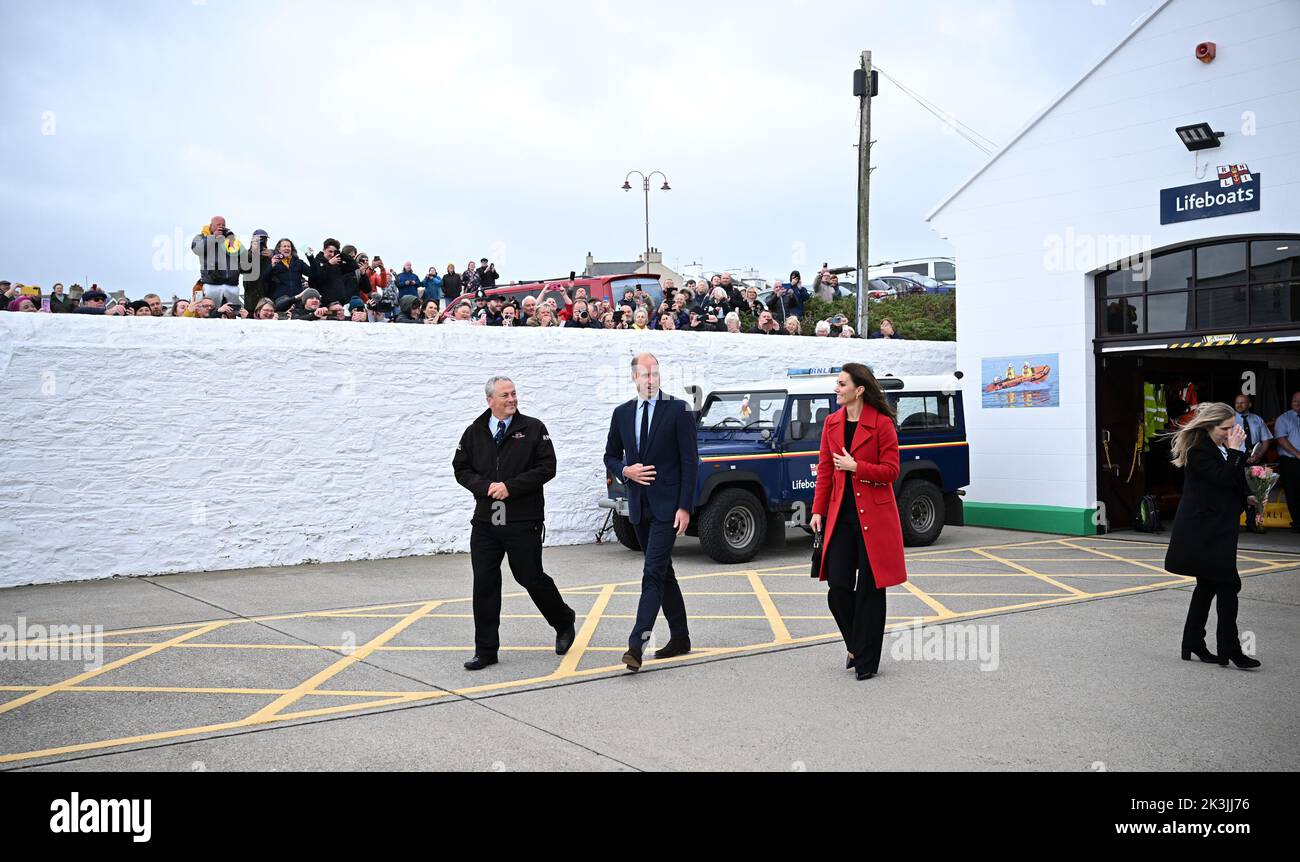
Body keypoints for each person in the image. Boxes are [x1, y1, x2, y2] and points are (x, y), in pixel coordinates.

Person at [452, 377, 577, 670]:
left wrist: (511, 486)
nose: (512, 399)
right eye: (505, 395)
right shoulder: (474, 431)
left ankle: (563, 620)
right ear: (490, 401)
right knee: (484, 582)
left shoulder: (533, 428)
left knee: (529, 576)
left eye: (514, 394)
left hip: (522, 518)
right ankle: (485, 650)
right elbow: (460, 469)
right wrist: (484, 487)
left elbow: (548, 467)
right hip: (486, 518)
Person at [809, 363, 908, 680]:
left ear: (859, 389)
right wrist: (817, 511)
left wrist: (856, 466)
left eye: (841, 384)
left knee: (870, 591)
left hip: (875, 518)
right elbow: (825, 469)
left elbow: (891, 471)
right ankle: (855, 644)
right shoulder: (831, 423)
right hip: (840, 517)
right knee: (837, 588)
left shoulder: (881, 424)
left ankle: (867, 661)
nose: (836, 389)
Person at [603, 353, 698, 672]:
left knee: (652, 573)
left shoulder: (678, 409)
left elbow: (689, 461)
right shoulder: (622, 413)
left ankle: (636, 645)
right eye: (644, 374)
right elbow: (611, 455)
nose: (650, 379)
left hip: (668, 507)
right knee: (662, 571)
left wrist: (685, 506)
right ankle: (681, 637)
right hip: (639, 506)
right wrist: (624, 471)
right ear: (633, 377)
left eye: (655, 373)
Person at [1164, 403, 1262, 669]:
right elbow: (1221, 478)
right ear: (1210, 426)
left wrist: (1248, 496)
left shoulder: (1219, 448)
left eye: (1233, 427)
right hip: (1204, 532)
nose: (1230, 433)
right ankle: (1230, 649)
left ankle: (1193, 642)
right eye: (1225, 428)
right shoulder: (1199, 451)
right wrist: (1234, 451)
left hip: (1217, 528)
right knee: (1229, 586)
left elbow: (1230, 482)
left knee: (1207, 586)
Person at [1234, 394, 1273, 533]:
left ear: (1249, 404)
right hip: (1237, 461)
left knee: (1255, 492)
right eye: (1237, 403)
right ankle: (1230, 521)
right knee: (1238, 491)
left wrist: (1258, 455)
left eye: (1242, 403)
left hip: (1255, 460)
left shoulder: (1257, 419)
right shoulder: (1230, 419)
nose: (1239, 405)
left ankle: (1252, 523)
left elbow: (1266, 440)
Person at [191, 215, 244, 307]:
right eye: (218, 224)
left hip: (231, 284)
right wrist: (213, 237)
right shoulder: (201, 237)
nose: (221, 226)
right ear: (211, 225)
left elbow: (243, 256)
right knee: (211, 311)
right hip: (212, 283)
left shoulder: (231, 239)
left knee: (233, 312)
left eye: (223, 225)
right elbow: (197, 249)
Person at [1274, 392, 1300, 534]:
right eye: (1295, 400)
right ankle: (1297, 523)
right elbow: (1281, 439)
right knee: (1293, 492)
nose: (1297, 403)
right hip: (1290, 461)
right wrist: (1297, 454)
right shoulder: (1283, 418)